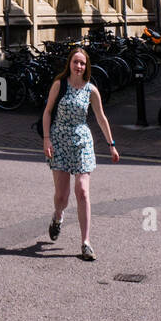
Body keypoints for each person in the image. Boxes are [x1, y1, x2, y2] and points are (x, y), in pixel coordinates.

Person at [42, 45, 119, 261]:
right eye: (76, 62)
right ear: (70, 64)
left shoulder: (91, 90)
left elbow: (101, 118)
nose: (79, 66)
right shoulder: (59, 85)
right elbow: (47, 112)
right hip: (59, 141)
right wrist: (46, 139)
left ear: (86, 67)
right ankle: (58, 217)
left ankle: (85, 243)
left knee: (83, 191)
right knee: (61, 196)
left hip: (82, 141)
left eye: (82, 63)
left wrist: (111, 144)